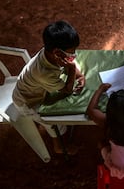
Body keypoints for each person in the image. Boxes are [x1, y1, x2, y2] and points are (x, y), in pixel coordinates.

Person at [12, 20, 85, 154]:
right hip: (27, 101)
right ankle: (58, 147)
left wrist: (79, 76)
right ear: (57, 53)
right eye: (71, 54)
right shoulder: (44, 73)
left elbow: (68, 65)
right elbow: (68, 90)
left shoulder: (50, 53)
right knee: (54, 122)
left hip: (33, 90)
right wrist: (73, 68)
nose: (73, 56)